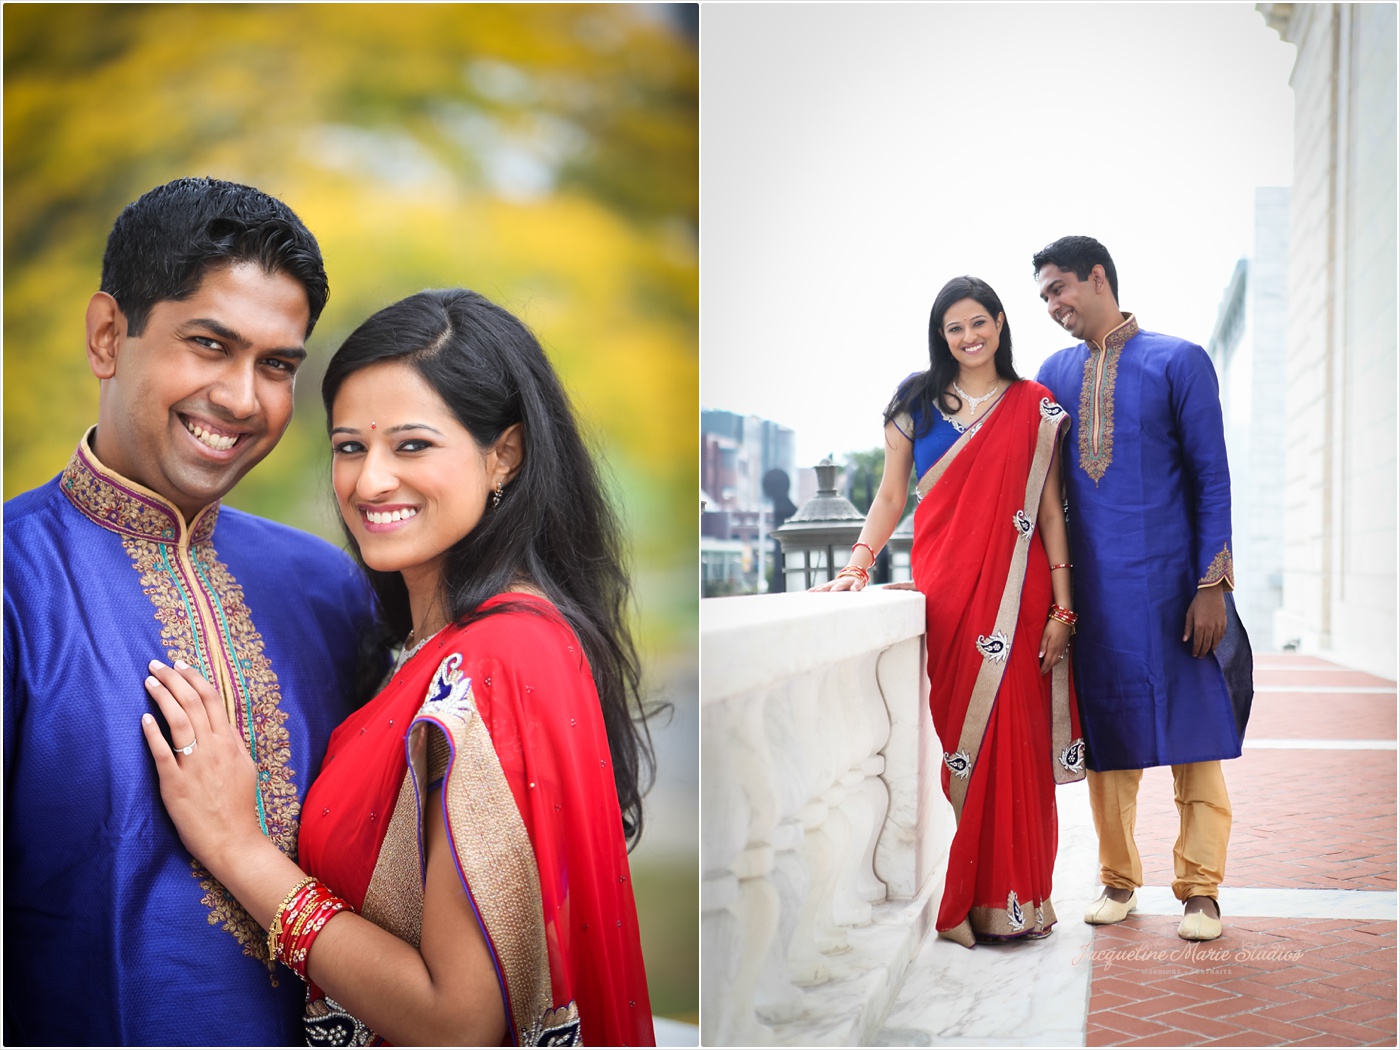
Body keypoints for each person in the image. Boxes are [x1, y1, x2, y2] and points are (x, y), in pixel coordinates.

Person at [140, 288, 657, 1046]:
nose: (370, 481)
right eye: (350, 446)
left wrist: (235, 847)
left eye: (411, 445)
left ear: (502, 454)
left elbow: (457, 1023)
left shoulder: (493, 663)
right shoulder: (447, 644)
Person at [2, 177, 381, 1045]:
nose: (245, 399)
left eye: (278, 365)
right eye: (210, 344)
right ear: (108, 335)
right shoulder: (15, 586)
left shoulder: (332, 590)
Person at [815, 276, 1085, 947]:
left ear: (999, 323)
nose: (967, 338)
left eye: (977, 324)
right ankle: (971, 900)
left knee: (1016, 745)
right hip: (948, 595)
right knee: (966, 747)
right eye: (953, 329)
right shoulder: (916, 403)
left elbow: (1051, 510)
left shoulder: (1035, 406)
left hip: (1019, 601)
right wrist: (857, 565)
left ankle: (1018, 901)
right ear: (942, 337)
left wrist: (1064, 608)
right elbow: (889, 497)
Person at [1033, 235, 1252, 943]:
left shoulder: (1178, 360)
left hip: (1176, 588)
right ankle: (1118, 879)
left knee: (1196, 735)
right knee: (1109, 737)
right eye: (1043, 296)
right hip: (1097, 592)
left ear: (1099, 278)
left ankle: (1201, 891)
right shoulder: (1053, 375)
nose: (1053, 305)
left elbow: (1212, 478)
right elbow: (1036, 485)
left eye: (1059, 288)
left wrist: (1211, 583)